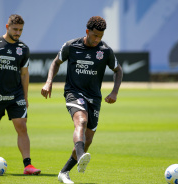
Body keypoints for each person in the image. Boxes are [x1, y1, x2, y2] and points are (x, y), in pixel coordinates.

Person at [41, 16, 123, 183]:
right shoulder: (71, 46)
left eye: (100, 36)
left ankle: (64, 172)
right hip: (74, 92)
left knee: (88, 139)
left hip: (94, 97)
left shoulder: (105, 50)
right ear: (87, 32)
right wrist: (49, 82)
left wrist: (114, 92)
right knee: (81, 120)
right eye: (94, 35)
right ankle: (80, 156)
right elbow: (56, 62)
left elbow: (118, 70)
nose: (97, 39)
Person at [0, 14, 41, 175]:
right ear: (7, 27)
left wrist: (26, 97)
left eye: (21, 30)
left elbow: (24, 74)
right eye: (15, 29)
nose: (18, 33)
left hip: (16, 95)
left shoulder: (23, 49)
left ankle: (28, 166)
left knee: (22, 126)